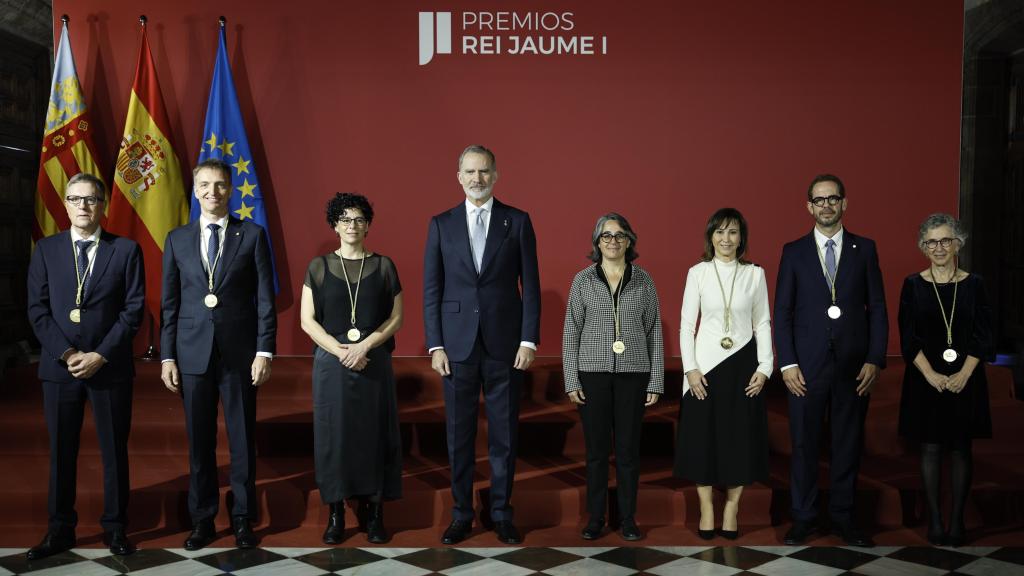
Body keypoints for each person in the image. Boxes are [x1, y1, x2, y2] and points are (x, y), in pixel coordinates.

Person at [423, 144, 541, 545]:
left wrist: (528, 339)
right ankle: (461, 515)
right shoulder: (441, 223)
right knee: (459, 436)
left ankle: (501, 512)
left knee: (504, 435)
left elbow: (532, 286)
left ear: (496, 175)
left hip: (505, 345)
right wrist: (435, 344)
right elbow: (431, 289)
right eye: (470, 172)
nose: (477, 179)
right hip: (455, 347)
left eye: (485, 171)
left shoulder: (518, 221)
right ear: (458, 177)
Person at [26, 173, 145, 559]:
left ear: (104, 203)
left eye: (91, 199)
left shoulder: (126, 250)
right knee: (62, 451)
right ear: (65, 203)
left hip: (108, 367)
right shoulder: (46, 250)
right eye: (76, 199)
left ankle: (115, 528)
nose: (83, 206)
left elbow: (133, 310)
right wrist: (67, 354)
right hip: (59, 369)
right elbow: (37, 310)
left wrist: (100, 354)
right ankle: (60, 529)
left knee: (114, 450)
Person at [160, 158, 276, 550]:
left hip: (240, 354)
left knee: (242, 440)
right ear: (195, 191)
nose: (213, 192)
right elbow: (170, 304)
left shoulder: (253, 235)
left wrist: (264, 351)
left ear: (230, 189)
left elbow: (264, 299)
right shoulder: (176, 239)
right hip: (192, 354)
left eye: (220, 185)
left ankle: (243, 518)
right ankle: (203, 519)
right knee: (200, 442)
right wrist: (167, 356)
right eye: (205, 185)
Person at [774, 174, 887, 547]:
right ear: (809, 206)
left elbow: (878, 309)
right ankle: (804, 518)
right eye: (819, 200)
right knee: (804, 445)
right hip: (805, 368)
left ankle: (843, 517)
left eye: (833, 198)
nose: (826, 205)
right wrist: (787, 363)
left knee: (847, 444)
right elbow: (784, 311)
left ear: (844, 204)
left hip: (854, 367)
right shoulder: (793, 252)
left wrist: (875, 358)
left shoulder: (865, 249)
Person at [299, 193, 403, 544]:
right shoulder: (318, 266)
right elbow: (307, 321)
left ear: (369, 224)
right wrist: (341, 351)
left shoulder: (385, 265)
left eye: (359, 219)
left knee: (373, 435)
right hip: (332, 364)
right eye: (345, 219)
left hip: (373, 361)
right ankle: (336, 514)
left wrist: (365, 345)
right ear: (334, 225)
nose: (352, 226)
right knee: (335, 438)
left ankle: (374, 512)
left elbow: (396, 317)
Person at [562, 213, 663, 542]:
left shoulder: (644, 280)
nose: (613, 241)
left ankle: (628, 518)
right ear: (596, 242)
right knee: (595, 452)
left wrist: (656, 380)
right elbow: (570, 334)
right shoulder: (583, 280)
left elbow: (654, 334)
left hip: (634, 374)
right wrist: (571, 380)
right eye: (606, 236)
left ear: (630, 241)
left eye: (620, 236)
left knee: (628, 452)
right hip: (591, 374)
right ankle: (595, 518)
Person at [674, 208, 772, 541]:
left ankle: (732, 509)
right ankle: (706, 508)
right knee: (703, 440)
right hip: (704, 368)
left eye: (732, 232)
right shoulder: (697, 272)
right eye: (720, 232)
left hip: (744, 365)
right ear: (710, 236)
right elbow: (687, 325)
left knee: (738, 440)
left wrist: (765, 367)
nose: (726, 239)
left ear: (741, 237)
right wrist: (690, 369)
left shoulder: (755, 274)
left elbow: (762, 323)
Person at [898, 213, 992, 547]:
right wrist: (933, 375)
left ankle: (957, 522)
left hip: (966, 379)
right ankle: (935, 521)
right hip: (927, 380)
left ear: (958, 243)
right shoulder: (913, 285)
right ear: (923, 247)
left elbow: (984, 336)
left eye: (945, 240)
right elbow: (908, 340)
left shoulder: (975, 284)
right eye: (932, 242)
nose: (939, 247)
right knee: (931, 448)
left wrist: (964, 374)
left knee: (961, 448)